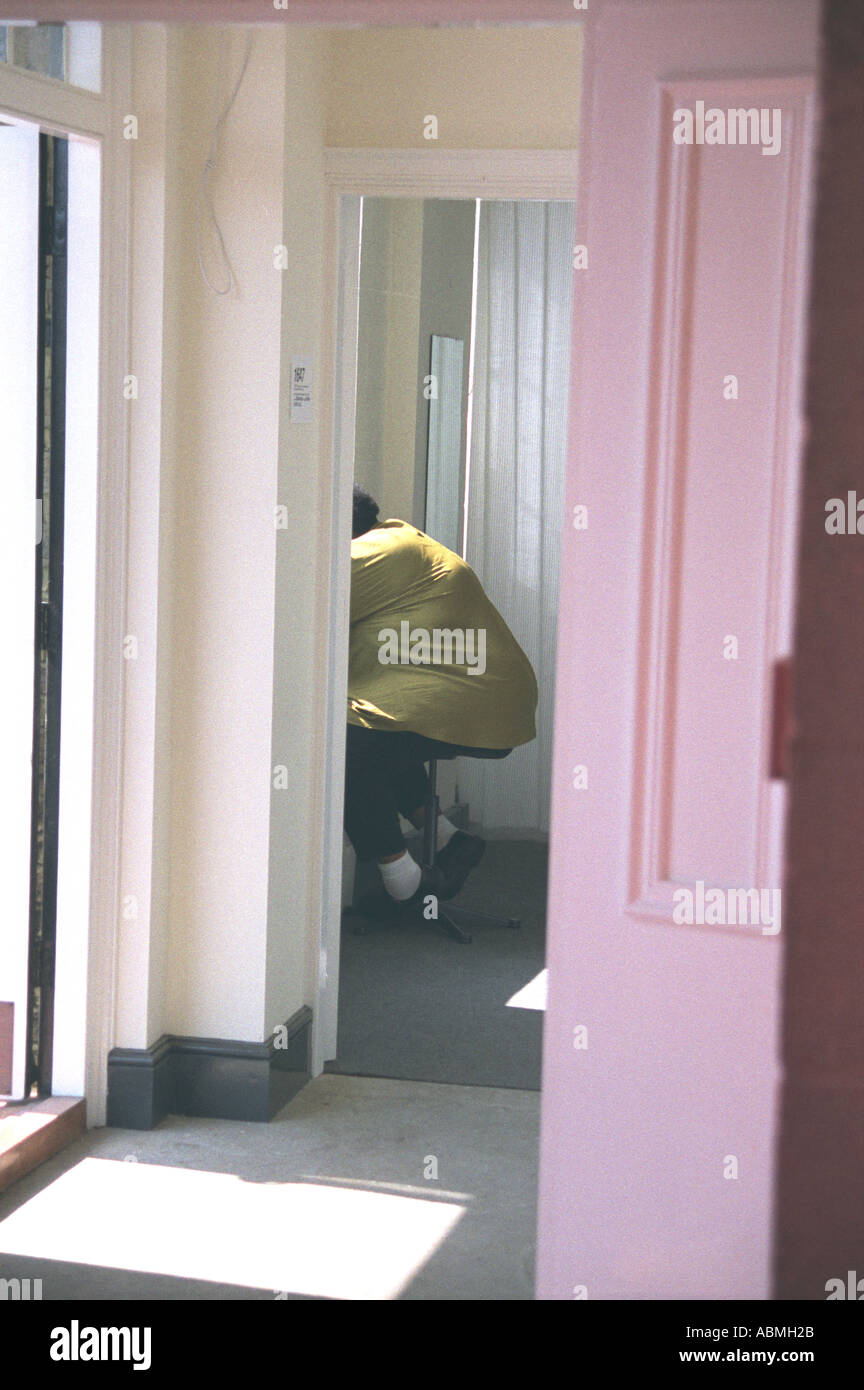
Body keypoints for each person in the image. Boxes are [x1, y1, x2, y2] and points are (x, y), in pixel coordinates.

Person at [344, 483, 538, 915]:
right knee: (376, 728)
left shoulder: (373, 552)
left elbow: (310, 605)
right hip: (485, 700)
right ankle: (449, 840)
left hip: (474, 704)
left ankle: (405, 884)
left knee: (345, 749)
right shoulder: (398, 537)